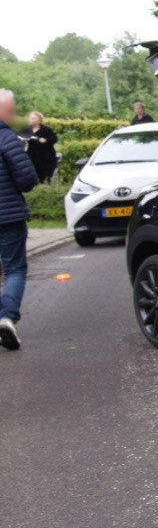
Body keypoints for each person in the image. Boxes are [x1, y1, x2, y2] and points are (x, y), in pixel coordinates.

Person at [0, 89, 40, 351]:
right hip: (8, 216)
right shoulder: (7, 139)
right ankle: (7, 317)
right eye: (12, 111)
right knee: (15, 268)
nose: (14, 116)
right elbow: (27, 179)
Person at [23, 112, 57, 184]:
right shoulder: (26, 129)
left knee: (44, 176)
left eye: (34, 118)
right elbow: (18, 136)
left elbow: (54, 139)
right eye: (31, 118)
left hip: (45, 156)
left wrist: (46, 140)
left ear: (39, 119)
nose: (32, 120)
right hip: (31, 155)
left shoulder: (46, 130)